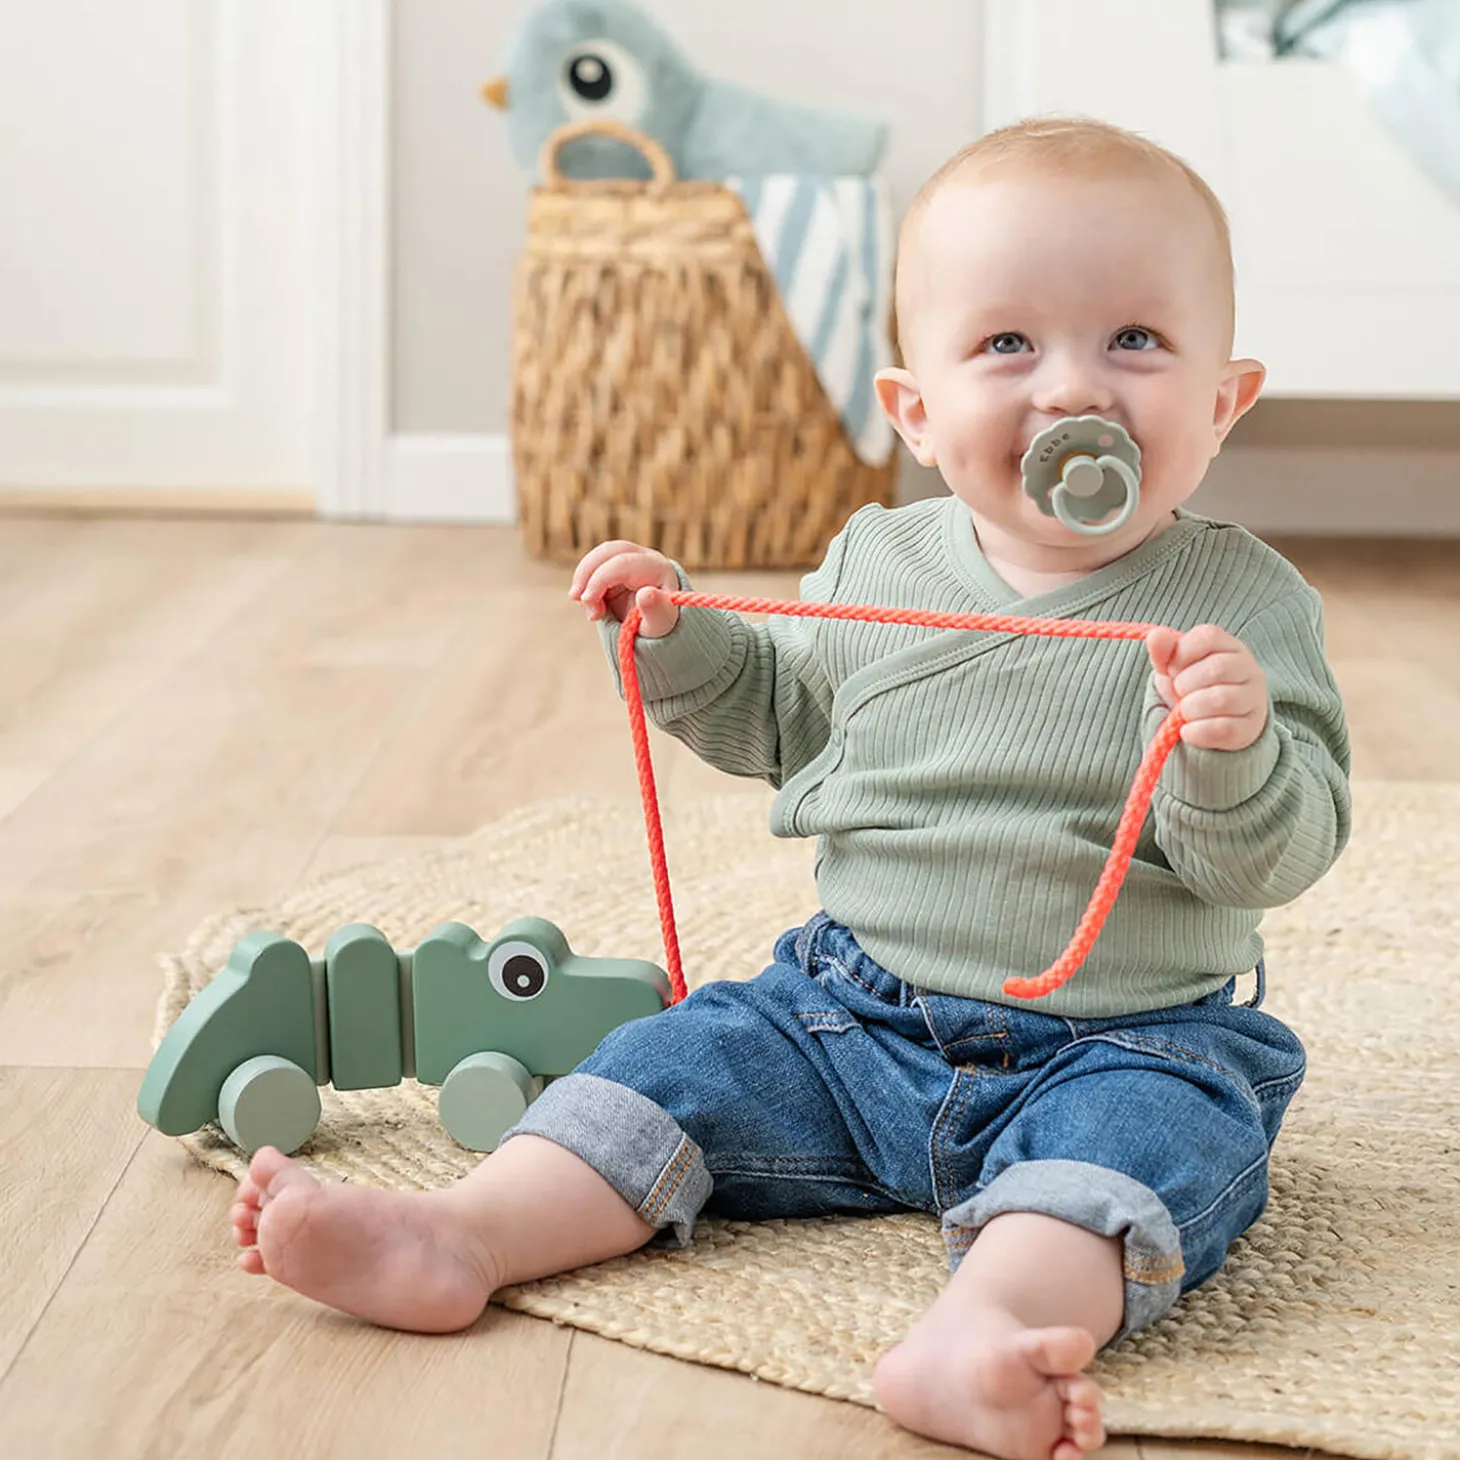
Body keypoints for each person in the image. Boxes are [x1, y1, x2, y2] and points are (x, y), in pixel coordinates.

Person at [228, 117, 1350, 1460]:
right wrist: (676, 638)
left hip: (1127, 1035)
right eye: (1008, 343)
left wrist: (1231, 752)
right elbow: (778, 715)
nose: (1072, 390)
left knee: (1139, 1153)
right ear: (916, 412)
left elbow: (1277, 854)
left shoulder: (1244, 608)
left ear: (1223, 400)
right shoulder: (878, 562)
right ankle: (463, 1233)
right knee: (669, 1062)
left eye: (1136, 341)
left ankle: (982, 1332)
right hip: (848, 1012)